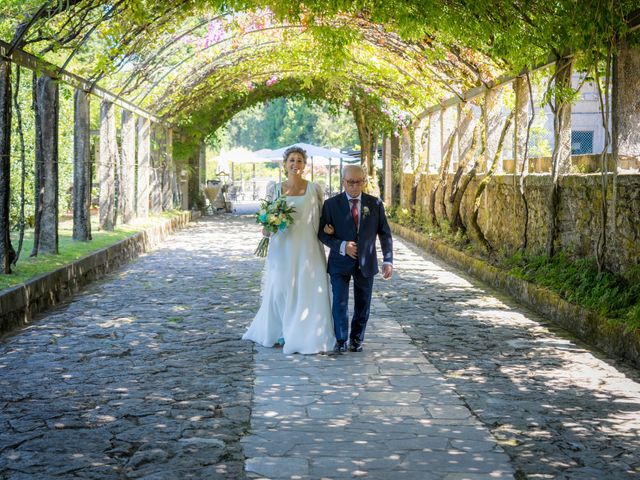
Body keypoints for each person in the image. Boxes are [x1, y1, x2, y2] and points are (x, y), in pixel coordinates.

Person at [242, 146, 336, 354]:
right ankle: (279, 331)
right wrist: (267, 226)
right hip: (282, 246)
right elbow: (265, 219)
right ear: (284, 164)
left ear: (305, 164)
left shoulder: (315, 189)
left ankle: (306, 334)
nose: (296, 164)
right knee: (280, 288)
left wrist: (328, 228)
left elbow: (322, 216)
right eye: (292, 160)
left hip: (308, 246)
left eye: (300, 160)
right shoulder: (274, 189)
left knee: (308, 288)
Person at [318, 165, 393, 353]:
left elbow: (385, 233)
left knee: (363, 303)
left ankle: (357, 339)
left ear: (364, 182)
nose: (354, 186)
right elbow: (322, 234)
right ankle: (341, 339)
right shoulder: (331, 205)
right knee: (339, 302)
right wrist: (343, 246)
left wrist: (388, 260)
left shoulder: (374, 204)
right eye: (350, 182)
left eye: (358, 182)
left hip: (366, 262)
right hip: (340, 262)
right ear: (343, 182)